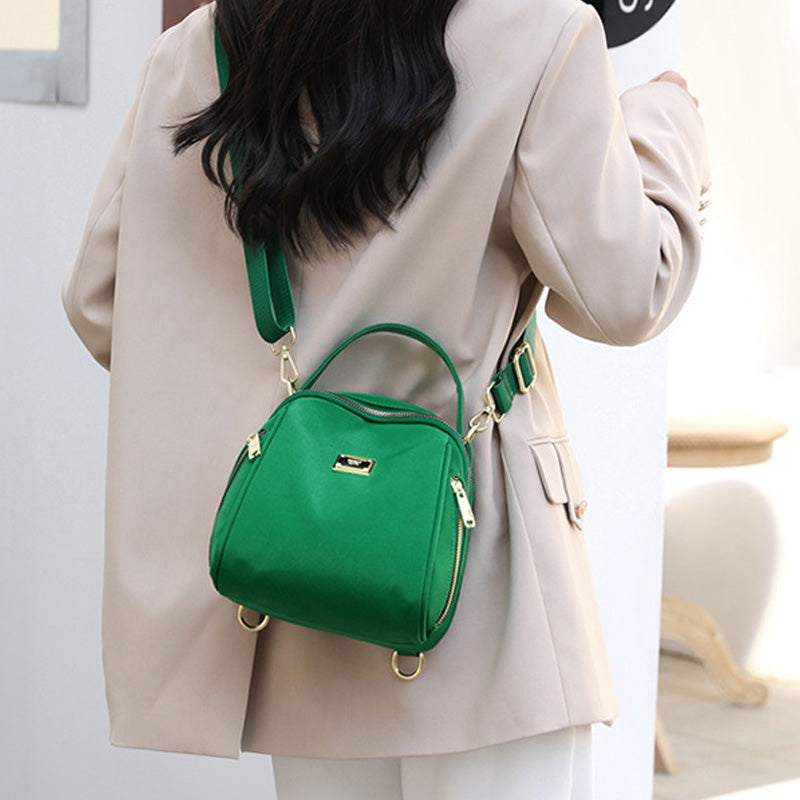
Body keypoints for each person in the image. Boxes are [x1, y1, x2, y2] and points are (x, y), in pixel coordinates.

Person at [62, 0, 708, 797]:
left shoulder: (205, 47)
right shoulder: (539, 33)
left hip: (302, 590)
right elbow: (626, 292)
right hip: (480, 596)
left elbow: (100, 302)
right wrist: (664, 123)